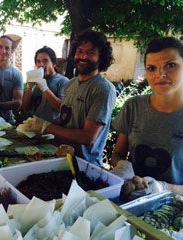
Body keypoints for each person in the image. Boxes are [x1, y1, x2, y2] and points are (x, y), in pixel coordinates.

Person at [111, 37, 183, 200]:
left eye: (170, 65)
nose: (160, 74)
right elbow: (118, 154)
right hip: (128, 200)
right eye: (152, 68)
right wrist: (123, 166)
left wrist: (163, 188)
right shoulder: (133, 106)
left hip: (170, 214)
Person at [45, 30, 116, 166]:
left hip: (84, 166)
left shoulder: (103, 88)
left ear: (101, 57)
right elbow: (66, 117)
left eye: (90, 53)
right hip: (61, 158)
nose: (83, 56)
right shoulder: (70, 84)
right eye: (79, 51)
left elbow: (88, 136)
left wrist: (47, 127)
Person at [22, 46, 69, 123]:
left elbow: (62, 108)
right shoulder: (37, 80)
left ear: (53, 63)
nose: (41, 64)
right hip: (34, 126)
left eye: (45, 61)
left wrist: (45, 88)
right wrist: (29, 87)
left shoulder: (63, 81)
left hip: (53, 130)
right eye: (38, 61)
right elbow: (25, 107)